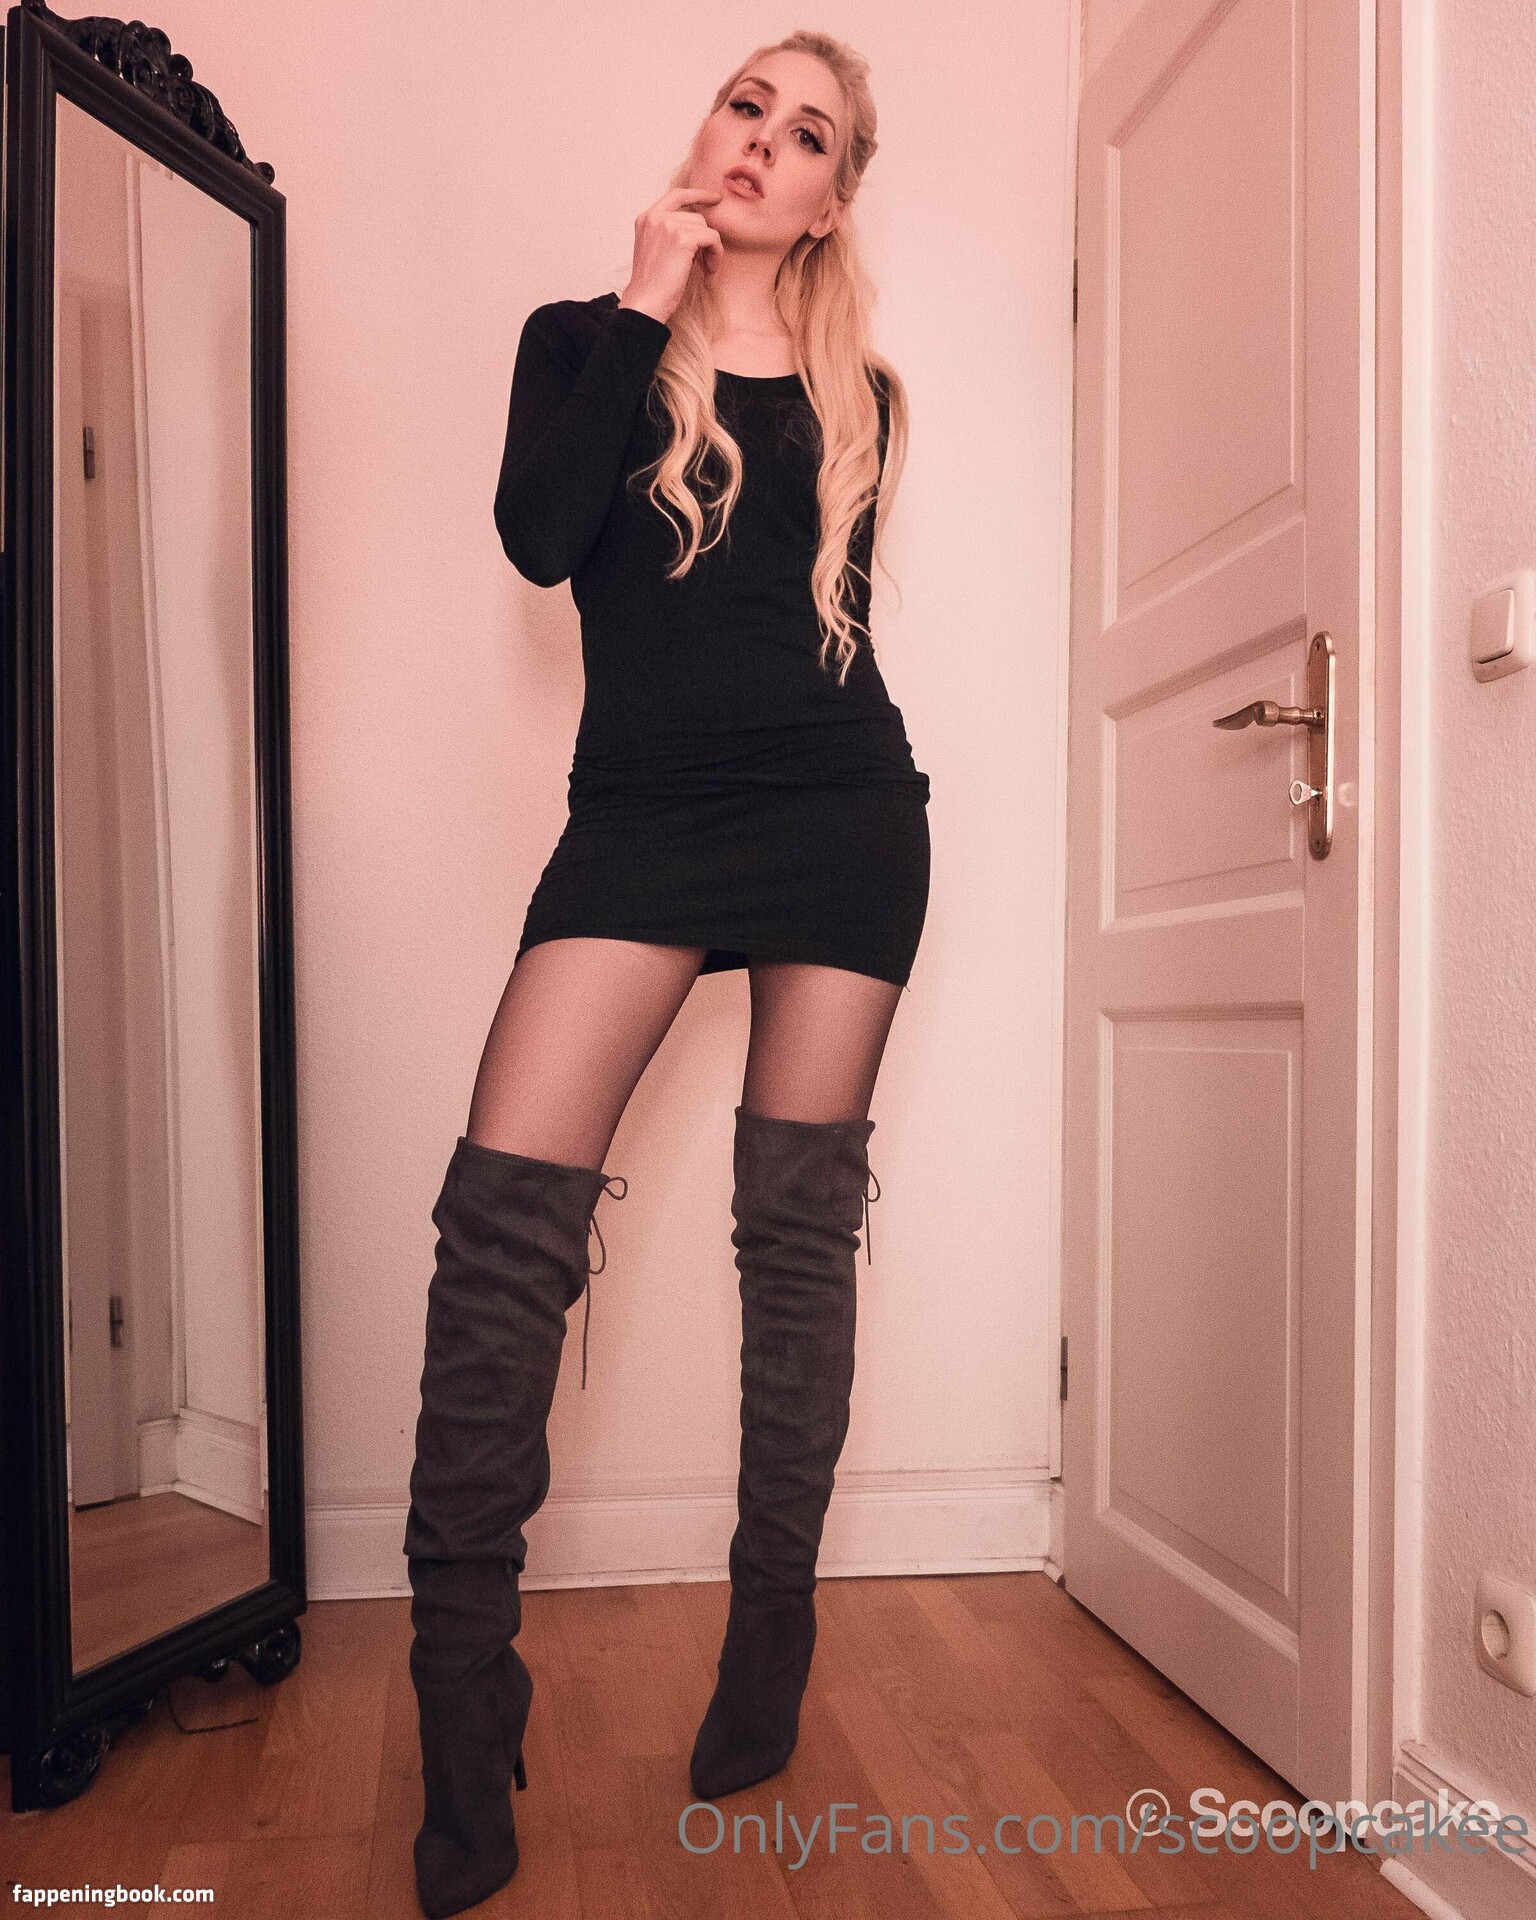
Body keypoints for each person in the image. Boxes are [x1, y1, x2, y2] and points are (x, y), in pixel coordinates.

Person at [400, 30, 931, 1918]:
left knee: (795, 1227)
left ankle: (769, 1632)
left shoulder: (866, 393)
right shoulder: (583, 339)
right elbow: (542, 540)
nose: (764, 145)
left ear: (834, 196)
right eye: (746, 106)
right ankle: (462, 1704)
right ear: (707, 131)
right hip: (640, 819)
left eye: (810, 135)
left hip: (840, 814)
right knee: (503, 1231)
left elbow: (818, 631)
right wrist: (646, 299)